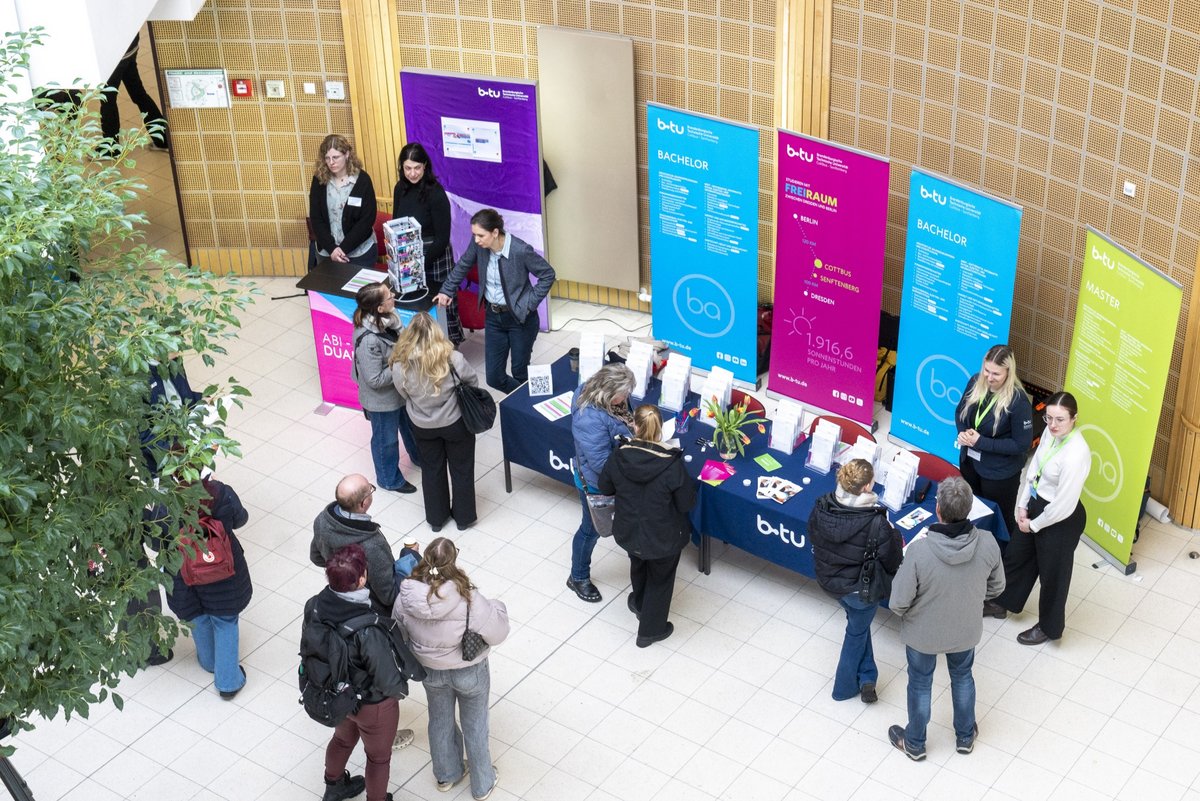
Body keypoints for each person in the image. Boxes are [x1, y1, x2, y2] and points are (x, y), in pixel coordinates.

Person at [887, 477, 1005, 760]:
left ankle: (915, 743)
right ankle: (965, 737)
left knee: (920, 683)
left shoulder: (919, 551)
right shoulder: (988, 543)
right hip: (965, 629)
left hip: (922, 634)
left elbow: (897, 603)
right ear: (968, 510)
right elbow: (997, 587)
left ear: (938, 510)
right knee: (963, 677)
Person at [394, 538, 509, 801]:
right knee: (475, 724)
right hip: (468, 670)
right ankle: (482, 783)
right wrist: (498, 606)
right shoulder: (468, 597)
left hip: (430, 672)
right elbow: (498, 632)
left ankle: (447, 774)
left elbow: (398, 633)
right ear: (452, 562)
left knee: (440, 720)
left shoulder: (406, 597)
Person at [985, 391, 1091, 645]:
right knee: (1017, 556)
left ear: (1074, 419)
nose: (1053, 425)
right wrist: (1023, 505)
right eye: (1049, 418)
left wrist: (1033, 525)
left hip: (1060, 519)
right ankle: (1003, 603)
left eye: (1060, 420)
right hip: (1037, 504)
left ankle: (1049, 627)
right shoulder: (1050, 434)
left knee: (1053, 575)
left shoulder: (1077, 453)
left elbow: (1064, 505)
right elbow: (1034, 469)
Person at [313, 544, 415, 801]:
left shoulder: (314, 606)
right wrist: (399, 692)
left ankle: (334, 787)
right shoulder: (368, 626)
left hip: (335, 693)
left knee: (342, 740)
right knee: (378, 758)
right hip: (372, 704)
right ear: (361, 579)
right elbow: (387, 678)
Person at [597, 405, 696, 647]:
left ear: (635, 426)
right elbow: (686, 503)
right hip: (663, 536)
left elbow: (605, 487)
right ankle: (650, 631)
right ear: (660, 430)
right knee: (660, 579)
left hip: (628, 530)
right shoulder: (672, 465)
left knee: (638, 563)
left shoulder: (619, 455)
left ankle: (639, 603)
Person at [807, 459, 903, 703]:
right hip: (860, 591)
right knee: (856, 633)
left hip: (830, 583)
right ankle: (844, 688)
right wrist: (894, 535)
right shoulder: (876, 522)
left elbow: (812, 534)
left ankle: (867, 677)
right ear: (866, 487)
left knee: (858, 626)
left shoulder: (822, 506)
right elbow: (892, 559)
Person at [432, 208, 556, 392]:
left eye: (480, 235)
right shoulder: (479, 247)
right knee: (494, 377)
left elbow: (548, 274)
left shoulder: (520, 250)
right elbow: (463, 266)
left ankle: (529, 409)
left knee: (520, 372)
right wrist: (446, 291)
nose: (476, 240)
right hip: (493, 318)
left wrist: (529, 304)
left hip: (520, 319)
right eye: (474, 235)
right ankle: (524, 401)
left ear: (495, 232)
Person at [389, 312, 479, 532]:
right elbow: (472, 381)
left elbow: (403, 393)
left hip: (422, 425)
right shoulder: (452, 358)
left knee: (431, 471)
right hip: (456, 423)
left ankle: (437, 520)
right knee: (462, 470)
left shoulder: (400, 365)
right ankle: (463, 518)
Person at [165, 476, 252, 698]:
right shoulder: (221, 493)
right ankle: (228, 681)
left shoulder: (164, 504)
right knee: (225, 621)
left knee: (197, 617)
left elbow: (156, 541)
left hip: (184, 573)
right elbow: (240, 519)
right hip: (222, 571)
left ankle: (210, 662)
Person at [567, 363, 635, 603]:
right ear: (609, 390)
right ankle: (578, 577)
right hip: (597, 484)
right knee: (590, 530)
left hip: (612, 477)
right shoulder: (590, 418)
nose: (627, 398)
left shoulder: (606, 400)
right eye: (624, 394)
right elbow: (602, 464)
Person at [955, 344, 1033, 542]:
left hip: (1000, 475)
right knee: (973, 511)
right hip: (970, 464)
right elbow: (960, 413)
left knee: (1000, 522)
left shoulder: (1018, 401)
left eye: (996, 374)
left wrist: (982, 442)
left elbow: (1021, 444)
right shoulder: (975, 381)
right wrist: (963, 432)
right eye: (987, 370)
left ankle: (1003, 561)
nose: (989, 378)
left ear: (1008, 372)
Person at [392, 142, 462, 345]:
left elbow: (442, 237)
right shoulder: (400, 188)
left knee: (439, 306)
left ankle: (449, 350)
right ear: (402, 168)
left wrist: (419, 264)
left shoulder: (436, 193)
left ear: (425, 167)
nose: (412, 173)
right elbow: (397, 222)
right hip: (409, 253)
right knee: (414, 305)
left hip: (434, 255)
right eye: (407, 168)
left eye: (417, 168)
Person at [352, 282, 418, 494]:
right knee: (386, 441)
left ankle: (419, 458)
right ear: (379, 308)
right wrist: (402, 364)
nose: (394, 298)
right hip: (382, 401)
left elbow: (405, 340)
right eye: (389, 297)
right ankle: (389, 479)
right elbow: (375, 379)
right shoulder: (368, 339)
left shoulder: (390, 320)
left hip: (399, 392)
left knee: (410, 429)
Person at [311, 474, 399, 611]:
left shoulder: (322, 520)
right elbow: (388, 596)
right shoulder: (372, 544)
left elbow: (316, 557)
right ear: (363, 503)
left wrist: (343, 572)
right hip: (372, 608)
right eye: (370, 489)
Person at [309, 134, 377, 270]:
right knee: (330, 290)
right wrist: (333, 249)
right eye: (327, 158)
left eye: (335, 157)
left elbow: (367, 220)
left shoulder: (362, 180)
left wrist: (343, 249)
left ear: (347, 155)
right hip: (328, 251)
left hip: (359, 252)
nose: (331, 163)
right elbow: (316, 218)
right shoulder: (319, 180)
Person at [100, 33, 169, 151]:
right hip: (130, 45)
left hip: (116, 54)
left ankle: (110, 147)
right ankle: (163, 139)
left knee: (108, 99)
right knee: (138, 93)